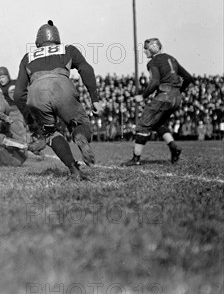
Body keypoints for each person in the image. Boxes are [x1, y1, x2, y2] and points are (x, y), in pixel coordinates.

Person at [13, 20, 104, 180]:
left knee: (50, 133)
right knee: (80, 123)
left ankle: (73, 169)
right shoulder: (68, 49)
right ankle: (79, 137)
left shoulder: (28, 57)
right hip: (62, 87)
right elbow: (86, 69)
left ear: (38, 41)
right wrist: (94, 99)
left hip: (36, 92)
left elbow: (18, 93)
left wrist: (31, 121)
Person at [124, 38, 194, 165]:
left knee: (143, 125)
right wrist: (178, 91)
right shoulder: (171, 59)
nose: (145, 52)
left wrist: (143, 96)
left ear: (153, 47)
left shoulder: (153, 62)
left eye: (146, 49)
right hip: (176, 98)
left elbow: (155, 81)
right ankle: (174, 147)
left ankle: (136, 159)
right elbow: (188, 77)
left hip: (164, 95)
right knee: (157, 124)